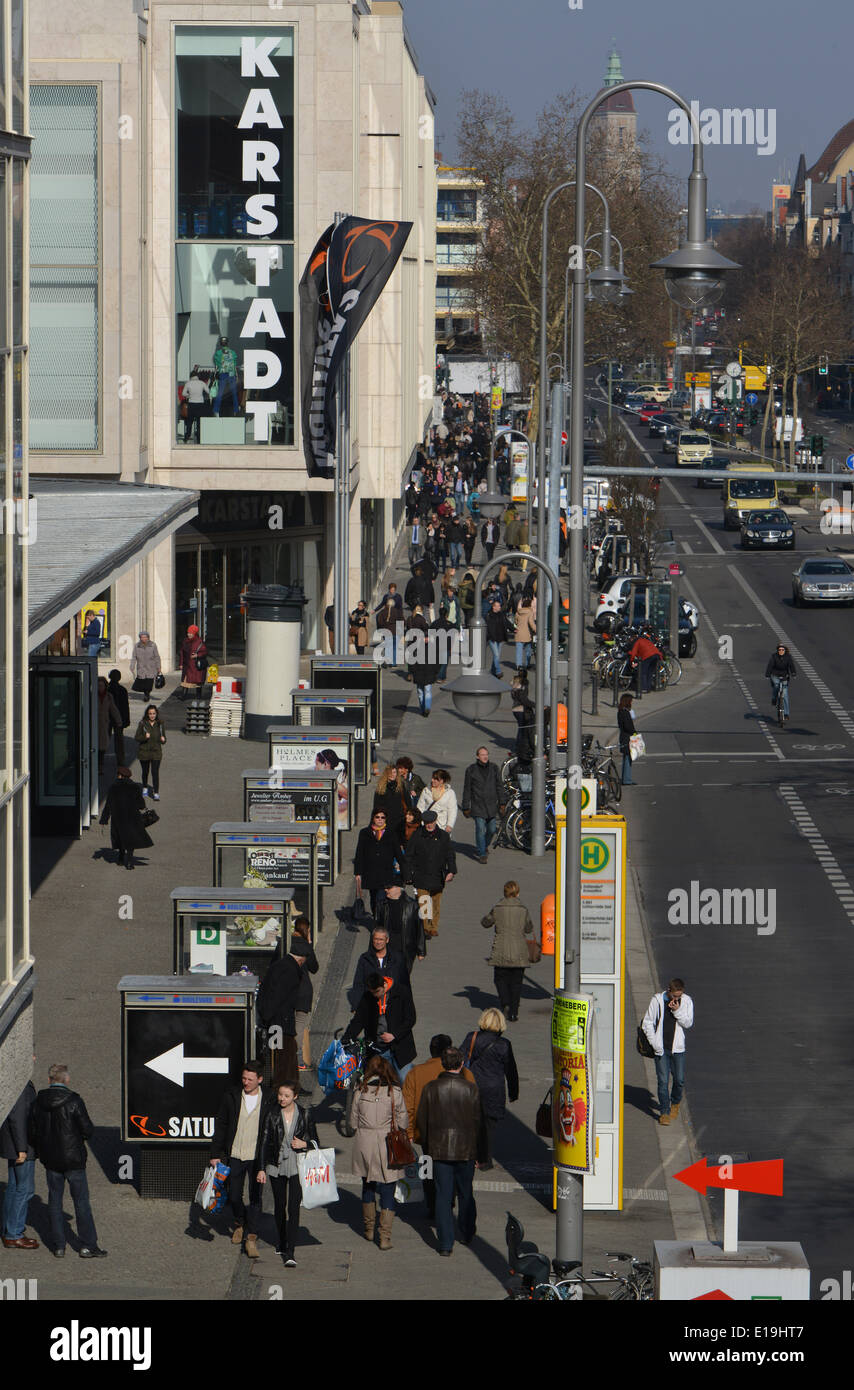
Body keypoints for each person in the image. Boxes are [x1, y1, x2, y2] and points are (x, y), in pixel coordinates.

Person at [29, 1063, 107, 1258]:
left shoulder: (38, 1101)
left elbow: (32, 1132)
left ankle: (58, 1245)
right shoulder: (74, 1101)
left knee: (54, 1201)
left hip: (50, 1160)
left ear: (49, 1080)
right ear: (67, 1079)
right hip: (73, 1160)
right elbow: (88, 1130)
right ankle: (88, 1245)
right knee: (81, 1202)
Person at [416, 1046, 487, 1255]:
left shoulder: (430, 1088)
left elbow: (422, 1120)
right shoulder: (471, 1089)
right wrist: (480, 1154)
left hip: (439, 1150)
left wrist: (428, 1146)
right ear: (462, 1063)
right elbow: (479, 1124)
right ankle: (466, 1231)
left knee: (443, 1196)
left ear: (443, 1064)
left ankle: (446, 1243)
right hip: (466, 1150)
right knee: (466, 1192)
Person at [402, 1036, 475, 1221]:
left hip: (426, 1134)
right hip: (459, 1135)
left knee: (428, 1171)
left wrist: (409, 1132)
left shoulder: (416, 1073)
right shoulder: (465, 1074)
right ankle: (449, 1200)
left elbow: (408, 1106)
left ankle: (433, 1204)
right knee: (454, 1171)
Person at [349, 1055, 409, 1250]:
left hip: (365, 1143)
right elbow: (403, 1123)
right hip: (387, 1144)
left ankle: (368, 1228)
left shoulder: (360, 1090)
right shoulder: (395, 1093)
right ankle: (385, 1237)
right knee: (388, 1190)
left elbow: (352, 1122)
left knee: (367, 1186)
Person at [256, 1080, 318, 1266]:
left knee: (293, 1207)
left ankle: (290, 1251)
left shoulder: (305, 1114)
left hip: (298, 1164)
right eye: (280, 1095)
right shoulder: (272, 1114)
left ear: (295, 1097)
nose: (282, 1099)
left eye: (286, 1096)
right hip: (276, 1164)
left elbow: (316, 1141)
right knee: (279, 1205)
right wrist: (261, 1168)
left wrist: (304, 1144)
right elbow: (264, 1142)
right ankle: (282, 1240)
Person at [210, 1062, 268, 1258]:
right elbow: (222, 1124)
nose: (246, 1082)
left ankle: (251, 1235)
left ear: (259, 1079)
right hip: (235, 1153)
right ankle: (240, 1222)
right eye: (244, 1078)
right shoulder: (232, 1096)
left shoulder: (268, 1099)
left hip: (256, 1156)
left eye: (250, 1079)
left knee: (255, 1196)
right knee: (233, 1195)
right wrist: (215, 1153)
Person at [460, 1009, 519, 1169]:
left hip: (472, 1086)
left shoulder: (471, 1037)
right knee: (488, 1127)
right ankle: (484, 1160)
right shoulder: (504, 1044)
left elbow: (460, 1059)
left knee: (470, 1124)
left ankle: (469, 1157)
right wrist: (514, 1092)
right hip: (494, 1090)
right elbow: (511, 1070)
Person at [343, 972, 417, 1085]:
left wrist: (394, 1035)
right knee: (379, 1083)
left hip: (400, 1048)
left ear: (384, 985)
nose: (375, 995)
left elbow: (410, 1018)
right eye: (372, 992)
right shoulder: (368, 997)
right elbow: (358, 1020)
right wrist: (346, 1038)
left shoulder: (401, 991)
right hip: (378, 1048)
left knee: (405, 1081)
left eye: (377, 991)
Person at [641, 978, 694, 1126]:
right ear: (669, 991)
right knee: (663, 1081)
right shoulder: (657, 1000)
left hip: (678, 1049)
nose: (677, 999)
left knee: (679, 1080)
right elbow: (647, 1022)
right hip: (661, 1049)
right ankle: (664, 1111)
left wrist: (677, 1011)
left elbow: (688, 1023)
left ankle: (675, 1103)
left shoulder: (687, 1001)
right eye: (675, 996)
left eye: (679, 996)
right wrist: (655, 1043)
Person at [481, 882, 535, 1021]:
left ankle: (505, 1002)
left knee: (500, 979)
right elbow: (529, 928)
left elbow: (486, 922)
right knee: (516, 983)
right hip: (519, 951)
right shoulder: (523, 909)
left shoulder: (497, 908)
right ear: (517, 893)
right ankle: (514, 1012)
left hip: (501, 949)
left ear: (504, 892)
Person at [404, 809, 456, 938]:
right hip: (421, 874)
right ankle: (426, 927)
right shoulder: (417, 835)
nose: (429, 825)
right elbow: (409, 855)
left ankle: (434, 926)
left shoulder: (443, 836)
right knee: (424, 902)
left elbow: (450, 855)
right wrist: (408, 875)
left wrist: (451, 871)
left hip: (437, 875)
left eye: (431, 822)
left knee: (436, 903)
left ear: (435, 821)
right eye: (427, 822)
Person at [255, 949, 305, 1084]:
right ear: (301, 960)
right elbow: (277, 997)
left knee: (286, 1055)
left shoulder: (280, 966)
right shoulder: (289, 971)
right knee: (282, 1058)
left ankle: (291, 1087)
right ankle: (282, 1090)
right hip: (279, 1024)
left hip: (277, 1023)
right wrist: (267, 1017)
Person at [1, 1077, 38, 1249]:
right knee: (25, 1189)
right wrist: (22, 1148)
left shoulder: (12, 1079)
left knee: (14, 1187)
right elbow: (18, 1117)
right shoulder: (21, 1085)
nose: (34, 1057)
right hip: (21, 1145)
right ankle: (14, 1233)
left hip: (12, 1144)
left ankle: (8, 1228)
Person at [353, 809, 404, 918]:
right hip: (370, 872)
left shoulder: (391, 833)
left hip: (385, 872)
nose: (380, 819)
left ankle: (381, 921)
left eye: (382, 817)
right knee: (373, 898)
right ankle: (376, 918)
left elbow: (398, 853)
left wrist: (405, 870)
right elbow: (359, 853)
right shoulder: (365, 833)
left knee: (381, 898)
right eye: (377, 817)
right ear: (373, 818)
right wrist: (358, 873)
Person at [375, 877, 426, 975]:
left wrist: (421, 951)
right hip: (387, 946)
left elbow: (419, 928)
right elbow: (377, 928)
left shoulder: (413, 905)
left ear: (398, 888)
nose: (386, 889)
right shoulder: (381, 904)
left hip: (406, 947)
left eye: (389, 887)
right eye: (385, 887)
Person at [462, 746, 503, 863]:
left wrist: (502, 802)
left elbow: (499, 786)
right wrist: (466, 806)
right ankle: (482, 853)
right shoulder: (471, 770)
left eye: (486, 754)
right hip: (478, 805)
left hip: (491, 805)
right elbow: (467, 789)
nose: (485, 756)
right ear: (477, 756)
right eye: (482, 754)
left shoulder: (494, 768)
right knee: (480, 829)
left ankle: (483, 844)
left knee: (491, 829)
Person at [350, 926, 408, 1007]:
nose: (378, 942)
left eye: (381, 939)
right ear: (372, 940)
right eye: (376, 939)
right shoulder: (365, 958)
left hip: (393, 1004)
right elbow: (358, 984)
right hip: (370, 1005)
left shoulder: (397, 958)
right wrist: (356, 1006)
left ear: (387, 940)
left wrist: (406, 1005)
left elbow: (404, 983)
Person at [288, 917, 318, 1074]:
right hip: (303, 991)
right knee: (299, 1024)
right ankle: (297, 1059)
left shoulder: (285, 943)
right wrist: (309, 943)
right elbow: (314, 968)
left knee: (287, 1023)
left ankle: (288, 1057)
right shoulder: (306, 946)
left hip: (287, 990)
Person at [135, 703, 167, 800]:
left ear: (156, 714)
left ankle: (156, 792)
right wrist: (145, 737)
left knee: (155, 772)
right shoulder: (142, 723)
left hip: (156, 752)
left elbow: (164, 739)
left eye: (153, 713)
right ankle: (145, 787)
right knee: (145, 771)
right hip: (144, 752)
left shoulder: (160, 724)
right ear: (147, 714)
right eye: (150, 714)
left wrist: (163, 740)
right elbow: (137, 737)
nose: (152, 715)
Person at [373, 763, 412, 834]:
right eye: (390, 772)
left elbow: (408, 802)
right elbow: (376, 806)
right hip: (386, 820)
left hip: (400, 819)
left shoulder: (401, 785)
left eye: (394, 772)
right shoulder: (381, 787)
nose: (392, 774)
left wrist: (409, 815)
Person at [96, 676, 121, 775]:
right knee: (94, 747)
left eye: (101, 685)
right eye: (98, 685)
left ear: (105, 686)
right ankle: (94, 766)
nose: (100, 687)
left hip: (104, 725)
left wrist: (118, 720)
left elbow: (113, 709)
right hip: (94, 725)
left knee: (102, 748)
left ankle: (100, 767)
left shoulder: (109, 696)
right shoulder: (92, 695)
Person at [628, 627, 664, 694]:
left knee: (643, 672)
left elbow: (633, 653)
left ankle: (644, 688)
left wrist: (631, 661)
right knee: (649, 672)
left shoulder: (637, 642)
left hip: (648, 656)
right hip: (657, 655)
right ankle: (648, 688)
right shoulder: (646, 640)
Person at [129, 630, 162, 704]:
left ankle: (147, 694)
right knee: (143, 682)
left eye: (145, 637)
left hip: (151, 667)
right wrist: (132, 665)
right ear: (140, 638)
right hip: (141, 667)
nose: (144, 638)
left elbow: (157, 657)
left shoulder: (153, 645)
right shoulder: (137, 646)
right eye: (142, 637)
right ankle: (146, 693)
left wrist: (158, 667)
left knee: (149, 683)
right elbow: (134, 657)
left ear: (148, 637)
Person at [765, 643, 796, 721]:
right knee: (776, 685)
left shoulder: (788, 657)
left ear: (785, 650)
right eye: (779, 650)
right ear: (777, 650)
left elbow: (791, 666)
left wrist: (793, 673)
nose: (781, 651)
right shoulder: (774, 656)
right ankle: (774, 698)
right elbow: (770, 666)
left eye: (782, 650)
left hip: (785, 676)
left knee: (785, 695)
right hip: (775, 675)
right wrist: (767, 674)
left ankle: (786, 714)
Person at [106, 669, 130, 766]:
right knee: (119, 741)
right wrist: (126, 720)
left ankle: (99, 760)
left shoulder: (106, 689)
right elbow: (125, 707)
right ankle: (120, 760)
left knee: (104, 739)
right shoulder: (122, 690)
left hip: (107, 718)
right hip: (118, 718)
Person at [212, 334, 240, 416]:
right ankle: (236, 410)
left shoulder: (218, 353)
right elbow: (234, 365)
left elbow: (217, 365)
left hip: (223, 373)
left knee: (220, 393)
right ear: (227, 343)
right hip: (232, 374)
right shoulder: (233, 353)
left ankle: (216, 410)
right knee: (234, 393)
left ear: (221, 343)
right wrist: (237, 376)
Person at [179, 624, 208, 700]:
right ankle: (183, 695)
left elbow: (204, 652)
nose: (189, 635)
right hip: (187, 665)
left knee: (198, 681)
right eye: (188, 633)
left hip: (195, 665)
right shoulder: (185, 641)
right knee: (185, 680)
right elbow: (182, 653)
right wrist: (181, 663)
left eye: (191, 633)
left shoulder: (199, 642)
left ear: (195, 633)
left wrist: (197, 655)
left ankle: (198, 695)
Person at [182, 366, 209, 441]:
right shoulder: (202, 383)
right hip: (200, 404)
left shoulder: (188, 383)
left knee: (189, 421)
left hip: (191, 404)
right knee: (199, 422)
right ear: (197, 376)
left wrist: (189, 395)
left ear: (191, 376)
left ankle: (187, 437)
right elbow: (208, 392)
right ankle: (199, 437)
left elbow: (183, 393)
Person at [486, 598, 511, 678]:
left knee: (497, 656)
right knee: (496, 655)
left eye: (500, 606)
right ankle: (498, 672)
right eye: (498, 606)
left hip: (500, 638)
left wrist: (514, 629)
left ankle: (493, 671)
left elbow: (507, 622)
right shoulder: (489, 615)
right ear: (494, 607)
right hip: (492, 638)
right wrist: (489, 636)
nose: (500, 607)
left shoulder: (501, 614)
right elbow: (488, 628)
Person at [513, 594, 536, 671]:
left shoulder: (517, 612)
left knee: (519, 651)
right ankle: (527, 664)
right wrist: (536, 630)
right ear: (529, 605)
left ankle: (518, 665)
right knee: (528, 650)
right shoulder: (530, 612)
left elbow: (515, 622)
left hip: (518, 633)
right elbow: (531, 623)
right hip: (527, 634)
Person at [618, 693, 636, 786]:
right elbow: (628, 726)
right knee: (628, 758)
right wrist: (634, 732)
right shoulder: (625, 712)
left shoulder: (621, 711)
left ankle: (626, 778)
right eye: (631, 701)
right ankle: (627, 779)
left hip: (623, 737)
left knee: (627, 757)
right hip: (627, 738)